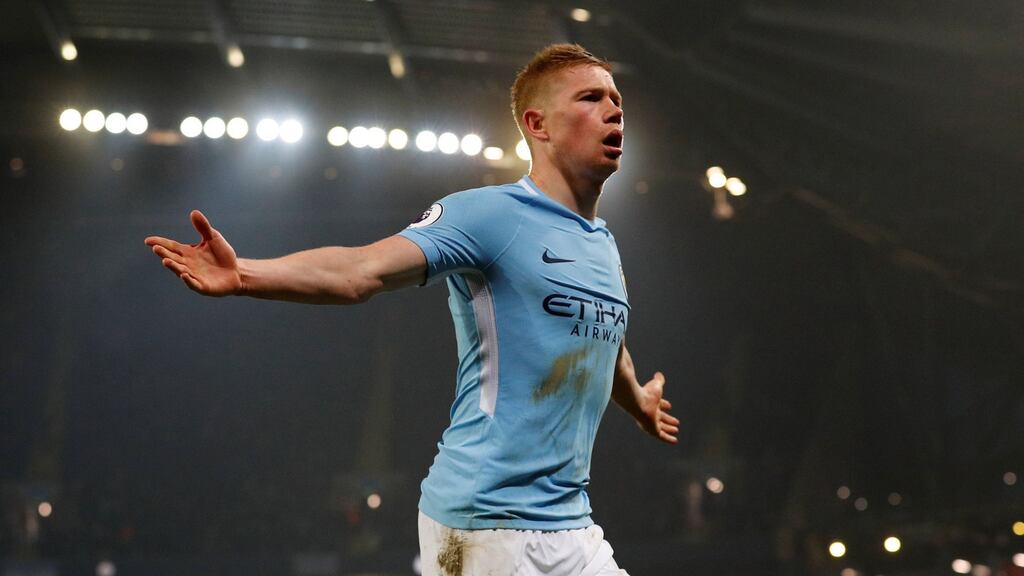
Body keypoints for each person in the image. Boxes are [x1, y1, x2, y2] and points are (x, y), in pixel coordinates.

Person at [145, 44, 678, 576]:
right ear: (537, 124)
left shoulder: (603, 244)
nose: (614, 110)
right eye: (591, 98)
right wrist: (244, 275)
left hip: (571, 524)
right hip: (481, 528)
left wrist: (638, 403)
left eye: (617, 100)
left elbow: (602, 336)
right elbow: (360, 271)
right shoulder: (489, 214)